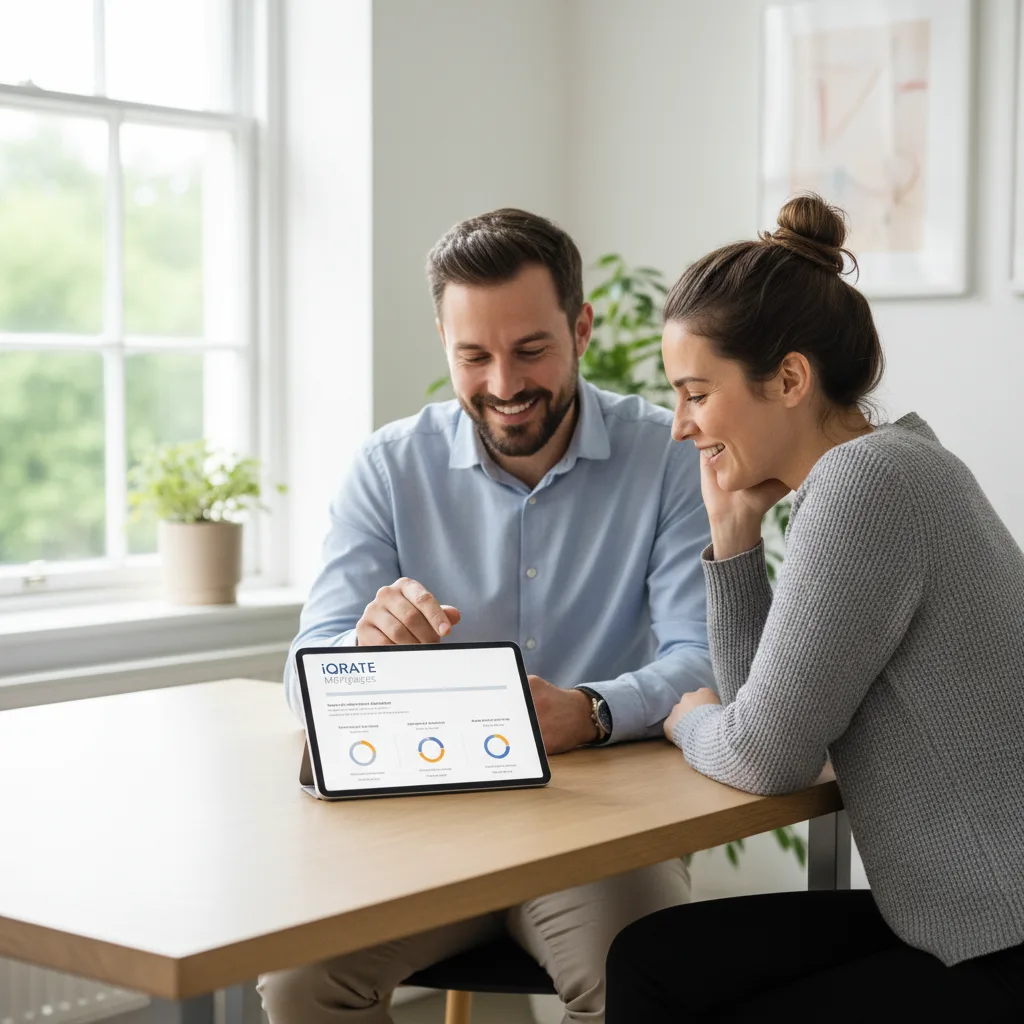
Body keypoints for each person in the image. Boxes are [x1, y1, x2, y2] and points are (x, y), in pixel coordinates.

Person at [259, 208, 715, 1024]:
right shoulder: (387, 467)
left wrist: (595, 712)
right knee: (299, 983)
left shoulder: (669, 458)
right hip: (423, 836)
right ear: (444, 341)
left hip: (599, 838)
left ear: (580, 327)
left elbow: (703, 657)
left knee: (641, 986)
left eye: (531, 349)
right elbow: (305, 668)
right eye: (474, 355)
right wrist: (360, 652)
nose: (504, 385)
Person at [604, 193, 1024, 1020]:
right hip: (963, 918)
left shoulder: (863, 487)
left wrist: (686, 718)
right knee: (656, 960)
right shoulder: (902, 461)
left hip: (996, 942)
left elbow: (761, 754)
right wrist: (733, 537)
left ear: (789, 378)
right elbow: (766, 715)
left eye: (695, 392)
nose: (681, 425)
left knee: (663, 975)